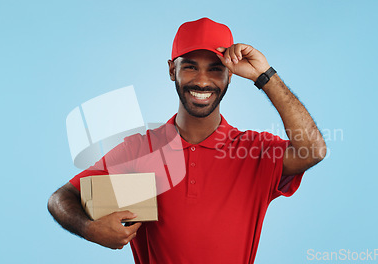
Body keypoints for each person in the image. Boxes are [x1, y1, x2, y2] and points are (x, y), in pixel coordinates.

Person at [48, 17, 326, 263]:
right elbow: (61, 198)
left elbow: (313, 150)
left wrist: (265, 76)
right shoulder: (139, 149)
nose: (202, 81)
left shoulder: (254, 151)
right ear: (172, 71)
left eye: (216, 68)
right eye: (190, 67)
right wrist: (90, 229)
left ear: (231, 75)